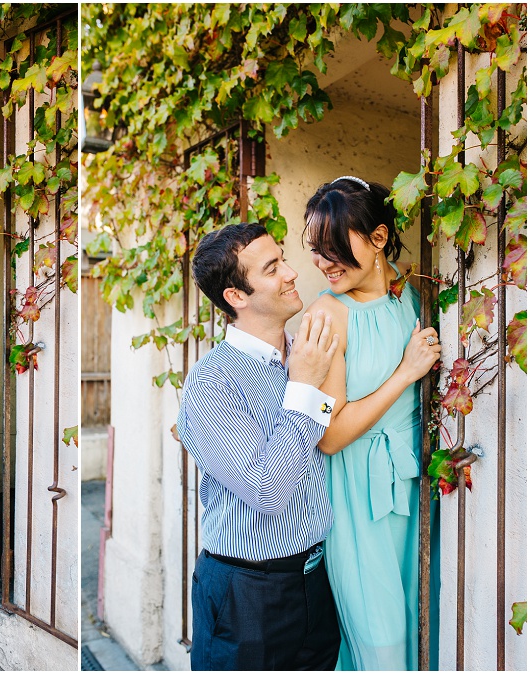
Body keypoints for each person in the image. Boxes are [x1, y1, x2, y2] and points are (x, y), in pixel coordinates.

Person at [176, 222, 342, 671]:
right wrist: (305, 386)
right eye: (272, 268)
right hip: (247, 595)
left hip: (318, 581)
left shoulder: (308, 351)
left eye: (283, 258)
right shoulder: (212, 382)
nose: (291, 272)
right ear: (236, 296)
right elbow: (266, 489)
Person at [302, 176, 441, 670]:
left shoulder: (412, 292)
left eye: (335, 247)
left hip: (410, 484)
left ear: (379, 239)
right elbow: (330, 435)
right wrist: (405, 374)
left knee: (424, 625)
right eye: (316, 249)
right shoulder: (326, 317)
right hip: (357, 497)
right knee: (381, 645)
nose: (323, 262)